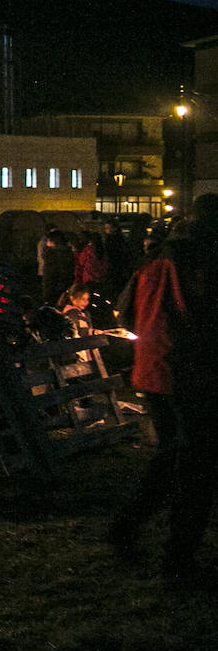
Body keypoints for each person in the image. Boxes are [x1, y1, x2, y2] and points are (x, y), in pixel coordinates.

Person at [108, 194, 218, 584]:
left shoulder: (153, 258)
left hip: (152, 370)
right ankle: (178, 556)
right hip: (193, 372)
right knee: (197, 465)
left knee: (172, 454)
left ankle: (125, 526)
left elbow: (125, 313)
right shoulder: (208, 257)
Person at [40, 230, 75, 306]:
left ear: (53, 242)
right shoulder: (68, 253)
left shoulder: (52, 255)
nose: (46, 243)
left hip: (54, 290)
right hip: (65, 289)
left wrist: (47, 295)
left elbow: (49, 276)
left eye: (48, 241)